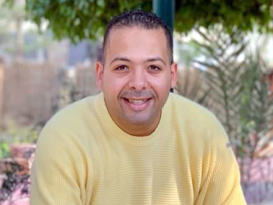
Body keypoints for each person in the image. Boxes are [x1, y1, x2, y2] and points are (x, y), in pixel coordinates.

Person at [30, 10, 246, 205]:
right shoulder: (65, 138)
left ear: (172, 76)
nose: (138, 83)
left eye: (153, 67)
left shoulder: (205, 133)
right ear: (100, 75)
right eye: (122, 67)